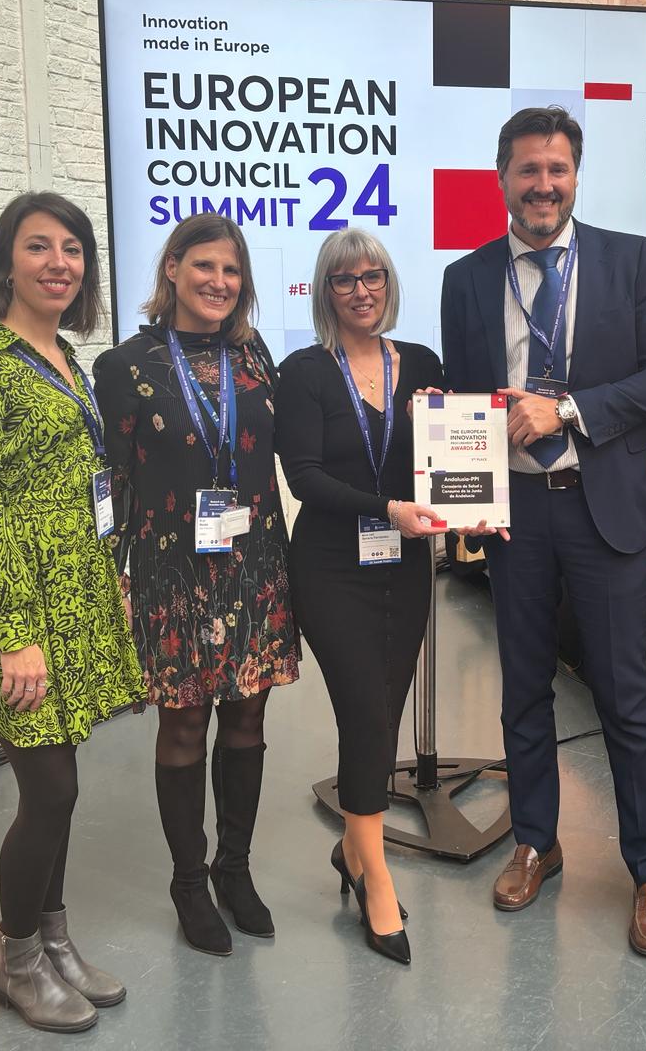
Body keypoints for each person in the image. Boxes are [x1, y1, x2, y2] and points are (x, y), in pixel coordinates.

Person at [440, 106, 646, 958]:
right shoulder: (468, 278)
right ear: (502, 178)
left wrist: (571, 409)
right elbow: (467, 401)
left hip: (602, 505)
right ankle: (534, 843)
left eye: (556, 169)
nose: (542, 185)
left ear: (575, 176)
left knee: (625, 695)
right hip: (516, 515)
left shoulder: (630, 260)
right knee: (522, 689)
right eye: (527, 170)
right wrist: (459, 489)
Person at [0, 191, 144, 1034]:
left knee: (63, 784)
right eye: (39, 246)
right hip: (16, 607)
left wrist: (109, 574)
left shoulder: (64, 358)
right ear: (5, 263)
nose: (60, 263)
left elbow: (81, 485)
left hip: (75, 593)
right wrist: (14, 635)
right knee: (50, 790)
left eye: (74, 249)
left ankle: (53, 942)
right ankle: (16, 960)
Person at [93, 213, 301, 957]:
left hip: (254, 567)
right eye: (205, 266)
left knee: (248, 718)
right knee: (182, 726)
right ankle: (188, 882)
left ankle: (233, 869)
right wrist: (111, 576)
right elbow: (111, 483)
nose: (219, 281)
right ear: (172, 268)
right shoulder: (126, 366)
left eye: (232, 270)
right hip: (170, 573)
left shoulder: (255, 356)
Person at [274, 227, 447, 966]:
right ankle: (376, 877)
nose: (361, 290)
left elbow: (451, 457)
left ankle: (351, 849)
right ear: (326, 292)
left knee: (387, 708)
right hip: (329, 568)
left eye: (372, 275)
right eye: (344, 279)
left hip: (404, 567)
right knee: (366, 713)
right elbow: (304, 476)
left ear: (389, 283)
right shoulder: (305, 372)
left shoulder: (424, 365)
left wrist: (440, 434)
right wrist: (387, 509)